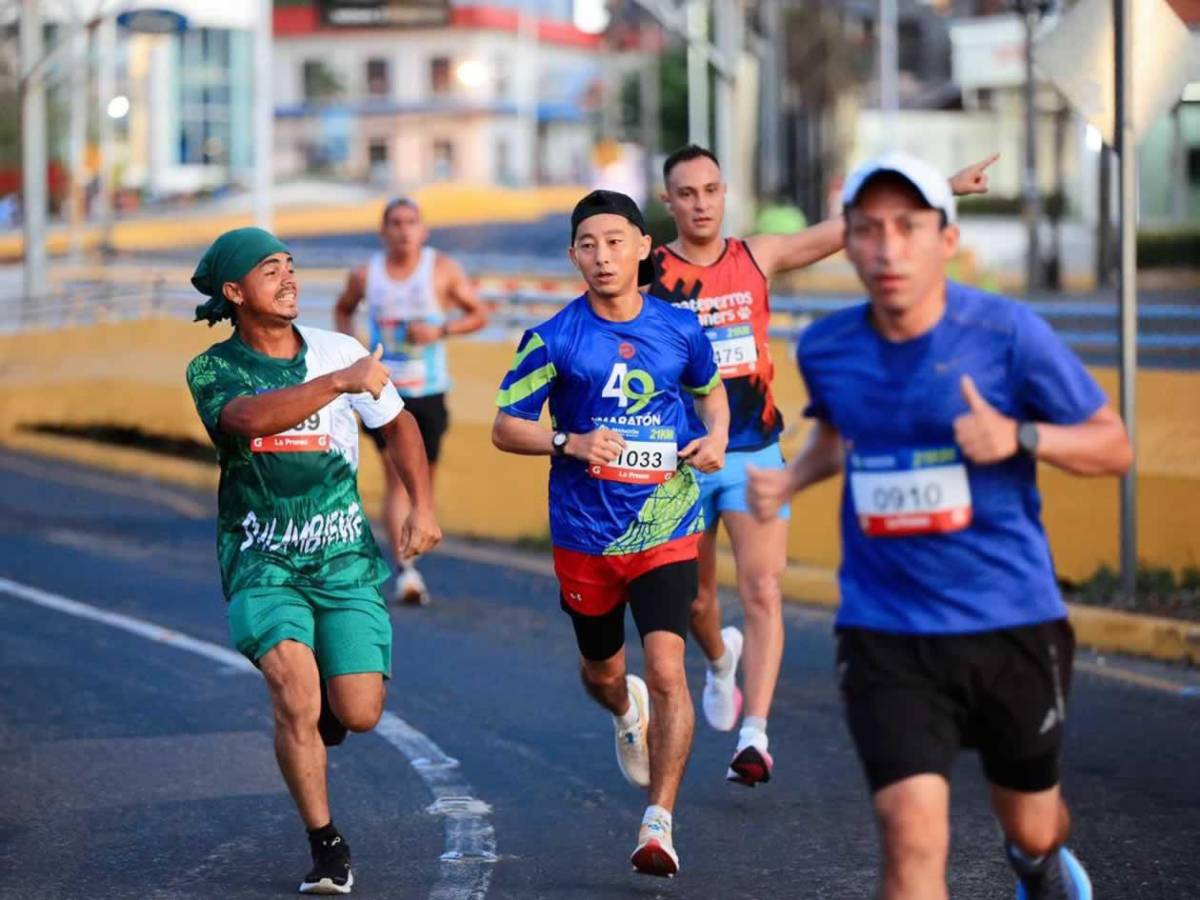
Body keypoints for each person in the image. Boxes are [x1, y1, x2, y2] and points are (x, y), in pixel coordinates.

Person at [747, 152, 1131, 900]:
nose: (888, 249)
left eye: (908, 227)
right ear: (848, 242)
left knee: (1031, 823)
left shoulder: (1008, 334)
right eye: (867, 230)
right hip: (886, 627)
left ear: (945, 239)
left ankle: (1037, 864)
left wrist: (1020, 438)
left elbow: (1114, 445)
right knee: (911, 839)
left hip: (1010, 618)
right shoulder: (827, 347)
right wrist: (793, 476)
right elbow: (838, 432)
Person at [648, 143, 997, 785]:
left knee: (762, 587)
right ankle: (721, 658)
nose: (701, 204)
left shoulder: (755, 255)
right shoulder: (649, 271)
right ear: (668, 201)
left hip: (756, 450)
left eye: (711, 190)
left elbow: (850, 227)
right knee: (697, 603)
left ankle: (754, 734)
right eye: (687, 193)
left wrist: (944, 183)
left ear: (726, 195)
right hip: (681, 460)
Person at [186, 227, 442, 895]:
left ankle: (330, 706)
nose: (288, 277)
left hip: (341, 559)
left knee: (357, 713)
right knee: (293, 692)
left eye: (291, 265)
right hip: (260, 560)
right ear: (236, 292)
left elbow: (398, 423)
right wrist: (338, 383)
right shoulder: (214, 369)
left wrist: (422, 503)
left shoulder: (341, 350)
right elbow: (245, 419)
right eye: (269, 270)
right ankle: (327, 845)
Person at [492, 190, 728, 878]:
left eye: (617, 241)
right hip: (585, 536)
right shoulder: (553, 337)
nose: (603, 256)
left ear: (645, 248)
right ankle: (626, 710)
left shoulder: (680, 330)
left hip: (666, 520)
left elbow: (712, 392)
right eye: (589, 244)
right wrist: (568, 440)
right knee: (604, 671)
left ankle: (659, 823)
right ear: (573, 255)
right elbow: (507, 426)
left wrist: (716, 437)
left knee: (667, 667)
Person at [335, 197, 488, 606]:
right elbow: (342, 309)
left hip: (430, 388)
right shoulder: (367, 275)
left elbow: (479, 314)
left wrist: (441, 331)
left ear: (423, 230)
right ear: (383, 231)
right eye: (396, 223)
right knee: (396, 475)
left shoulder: (441, 270)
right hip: (383, 390)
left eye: (411, 223)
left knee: (424, 482)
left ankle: (415, 538)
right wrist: (356, 355)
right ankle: (406, 571)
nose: (404, 231)